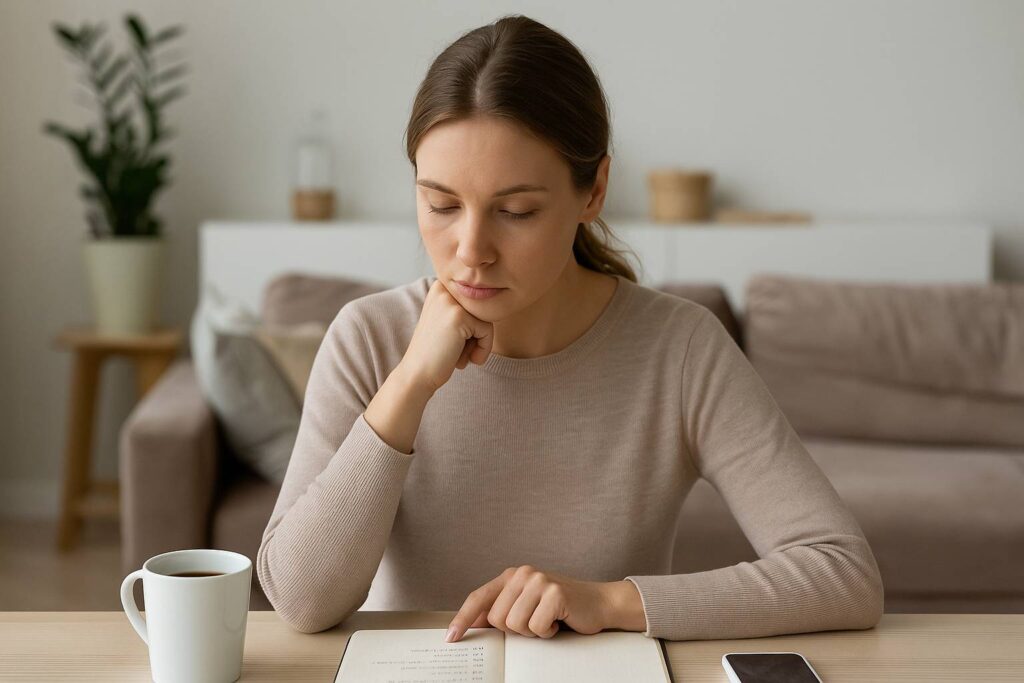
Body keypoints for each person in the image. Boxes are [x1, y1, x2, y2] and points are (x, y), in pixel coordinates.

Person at [256, 14, 884, 642]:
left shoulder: (681, 349)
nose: (471, 249)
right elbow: (302, 601)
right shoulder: (368, 337)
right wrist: (410, 384)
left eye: (517, 211)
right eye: (441, 204)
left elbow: (843, 574)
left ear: (594, 191)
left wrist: (613, 603)